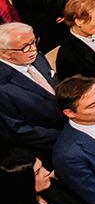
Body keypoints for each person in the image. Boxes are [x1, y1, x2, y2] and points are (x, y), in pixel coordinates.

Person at [0, 23, 63, 160]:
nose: (33, 49)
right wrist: (64, 136)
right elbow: (18, 131)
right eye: (25, 47)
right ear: (4, 53)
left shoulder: (36, 57)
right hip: (48, 150)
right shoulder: (3, 86)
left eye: (34, 42)